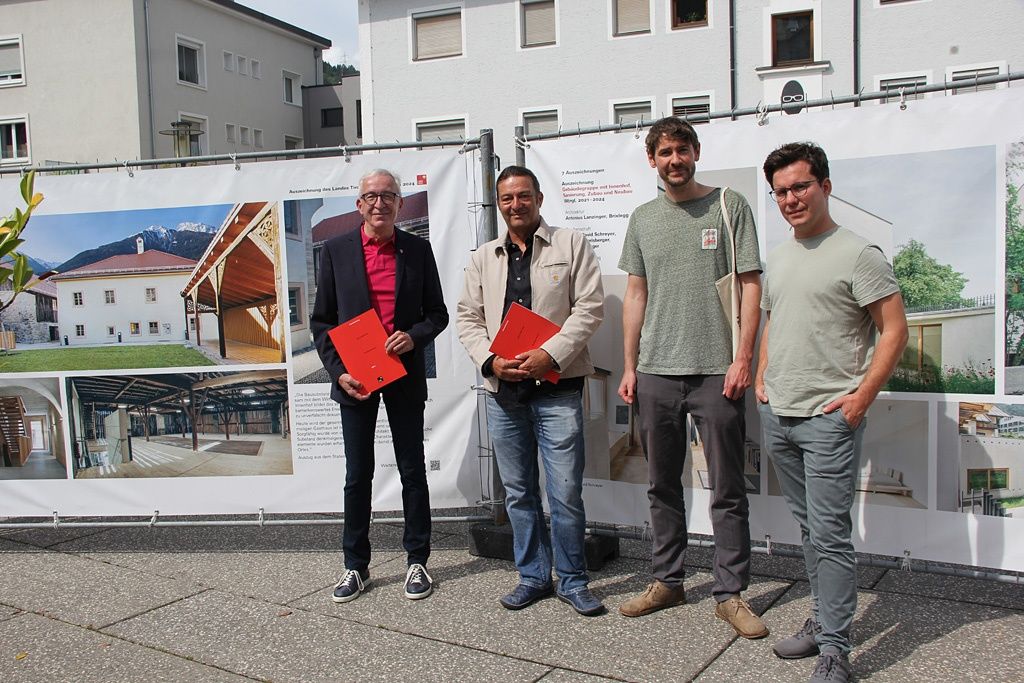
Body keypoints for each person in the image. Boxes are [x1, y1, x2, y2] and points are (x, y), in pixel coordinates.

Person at [756, 142, 907, 683]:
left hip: (828, 420)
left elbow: (895, 330)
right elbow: (774, 321)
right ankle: (823, 621)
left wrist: (861, 398)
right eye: (781, 192)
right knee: (809, 530)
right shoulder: (781, 256)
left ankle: (836, 650)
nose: (791, 199)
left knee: (830, 536)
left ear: (824, 186)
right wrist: (762, 378)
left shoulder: (859, 254)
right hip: (780, 414)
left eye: (800, 186)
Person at [617, 117, 768, 639]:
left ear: (696, 152)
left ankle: (730, 593)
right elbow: (636, 294)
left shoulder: (729, 206)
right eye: (664, 152)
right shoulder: (643, 218)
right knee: (662, 485)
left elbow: (751, 285)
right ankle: (668, 581)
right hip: (657, 371)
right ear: (652, 160)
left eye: (681, 150)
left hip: (717, 371)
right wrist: (631, 365)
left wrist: (743, 357)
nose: (674, 160)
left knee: (727, 487)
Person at [457, 165, 605, 616]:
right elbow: (468, 318)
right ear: (499, 204)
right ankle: (533, 576)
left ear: (539, 198)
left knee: (565, 492)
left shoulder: (570, 244)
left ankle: (573, 580)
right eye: (507, 198)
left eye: (524, 196)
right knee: (519, 492)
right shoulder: (484, 257)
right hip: (505, 393)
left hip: (557, 387)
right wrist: (490, 361)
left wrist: (550, 354)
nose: (516, 205)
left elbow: (590, 308)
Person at [311, 168, 449, 604]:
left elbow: (438, 314)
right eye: (371, 196)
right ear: (359, 204)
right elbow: (322, 322)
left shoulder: (417, 250)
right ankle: (355, 565)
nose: (379, 203)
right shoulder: (336, 251)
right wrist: (338, 372)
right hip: (356, 379)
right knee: (358, 474)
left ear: (399, 204)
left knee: (412, 469)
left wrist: (415, 336)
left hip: (403, 375)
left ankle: (417, 560)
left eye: (388, 195)